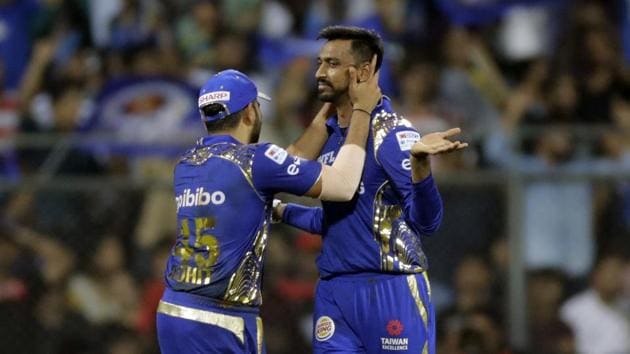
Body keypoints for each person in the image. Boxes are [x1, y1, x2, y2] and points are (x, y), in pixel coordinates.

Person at [155, 66, 382, 354]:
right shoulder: (256, 161)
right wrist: (361, 111)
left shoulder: (187, 163)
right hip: (221, 321)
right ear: (250, 112)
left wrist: (330, 111)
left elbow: (288, 164)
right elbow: (344, 185)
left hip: (175, 310)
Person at [274, 26, 467, 353]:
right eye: (320, 63)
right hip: (334, 292)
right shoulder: (332, 135)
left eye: (332, 64)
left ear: (363, 71)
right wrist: (280, 211)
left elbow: (427, 224)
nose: (320, 72)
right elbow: (337, 221)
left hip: (389, 288)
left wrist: (421, 169)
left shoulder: (392, 134)